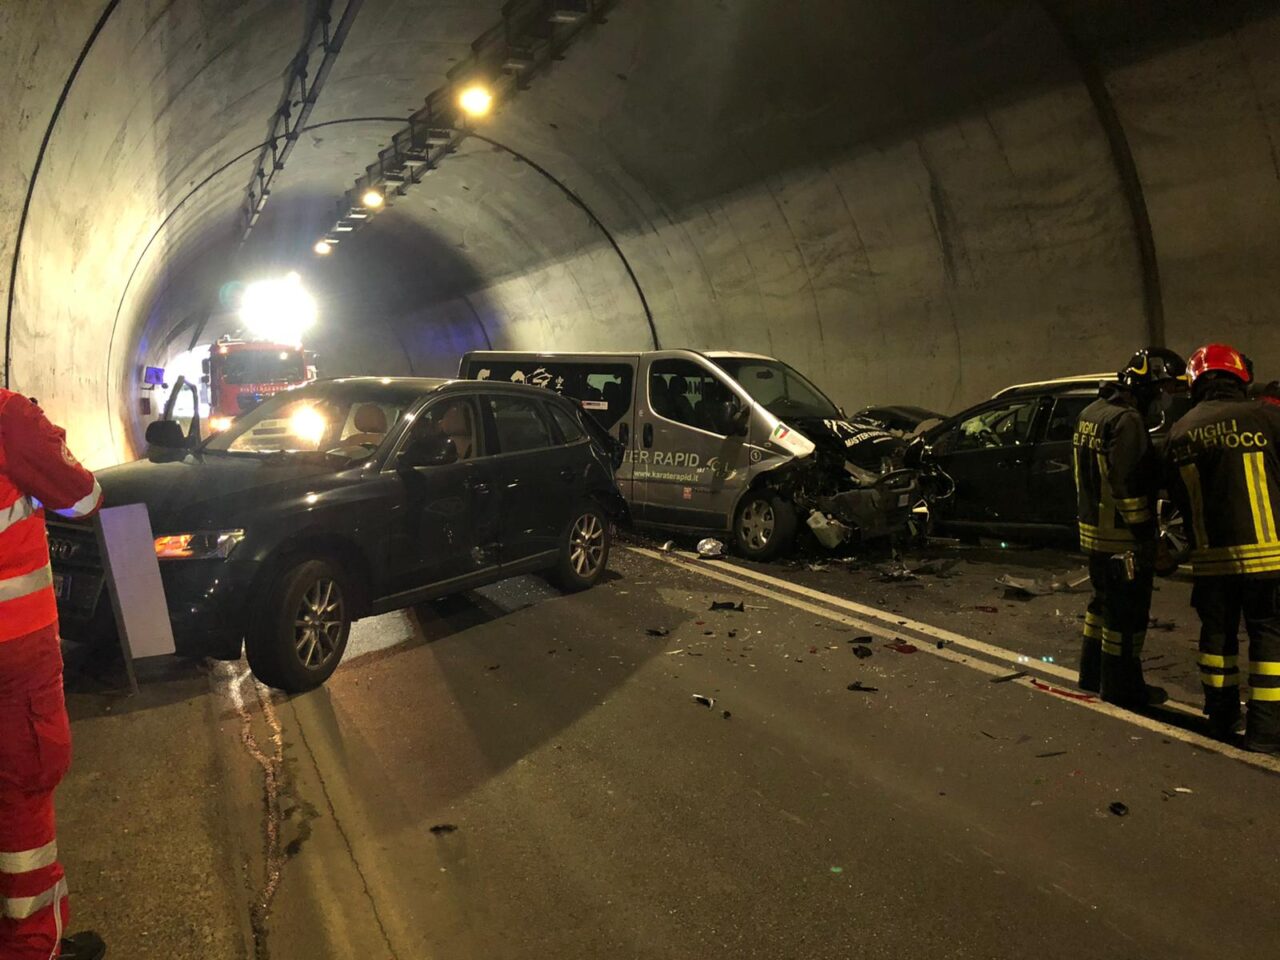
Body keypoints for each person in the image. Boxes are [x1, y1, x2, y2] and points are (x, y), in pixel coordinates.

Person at [0, 390, 106, 960]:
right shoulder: (9, 417)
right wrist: (50, 435)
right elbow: (84, 496)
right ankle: (32, 946)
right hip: (12, 658)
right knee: (23, 792)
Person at [1165, 344, 1280, 751]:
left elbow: (1177, 498)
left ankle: (1221, 716)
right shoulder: (1266, 417)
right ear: (1239, 377)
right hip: (1269, 558)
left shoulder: (1180, 431)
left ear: (1195, 384)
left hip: (1211, 561)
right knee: (1269, 639)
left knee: (1217, 639)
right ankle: (1266, 731)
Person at [1073, 348, 1187, 706]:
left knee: (1101, 606)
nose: (1162, 398)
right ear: (1144, 386)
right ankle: (1123, 687)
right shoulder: (1127, 421)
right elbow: (1129, 486)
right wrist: (1149, 540)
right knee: (1127, 618)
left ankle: (1092, 673)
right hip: (1122, 538)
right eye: (1161, 390)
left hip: (1093, 534)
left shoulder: (1091, 413)